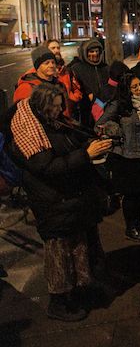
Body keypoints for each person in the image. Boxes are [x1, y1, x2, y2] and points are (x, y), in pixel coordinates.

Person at [7, 83, 112, 320]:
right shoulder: (31, 132)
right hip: (52, 200)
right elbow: (47, 166)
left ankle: (77, 291)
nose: (58, 110)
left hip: (69, 198)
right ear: (42, 107)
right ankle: (58, 302)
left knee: (77, 246)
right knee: (58, 253)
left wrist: (90, 145)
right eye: (53, 107)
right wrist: (87, 154)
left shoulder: (53, 123)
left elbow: (68, 147)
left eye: (60, 105)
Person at [96, 74, 140, 242]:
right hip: (127, 157)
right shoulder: (120, 105)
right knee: (132, 194)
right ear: (127, 90)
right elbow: (99, 125)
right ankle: (131, 227)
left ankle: (139, 224)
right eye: (135, 87)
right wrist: (115, 132)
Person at [69, 38, 109, 126]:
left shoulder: (105, 67)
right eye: (91, 51)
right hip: (86, 110)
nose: (95, 54)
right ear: (85, 52)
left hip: (105, 108)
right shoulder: (77, 68)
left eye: (97, 51)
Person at [46, 39, 83, 118]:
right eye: (53, 48)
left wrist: (73, 99)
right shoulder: (42, 73)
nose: (56, 50)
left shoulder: (65, 70)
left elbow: (76, 88)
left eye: (58, 48)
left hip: (68, 114)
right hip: (53, 117)